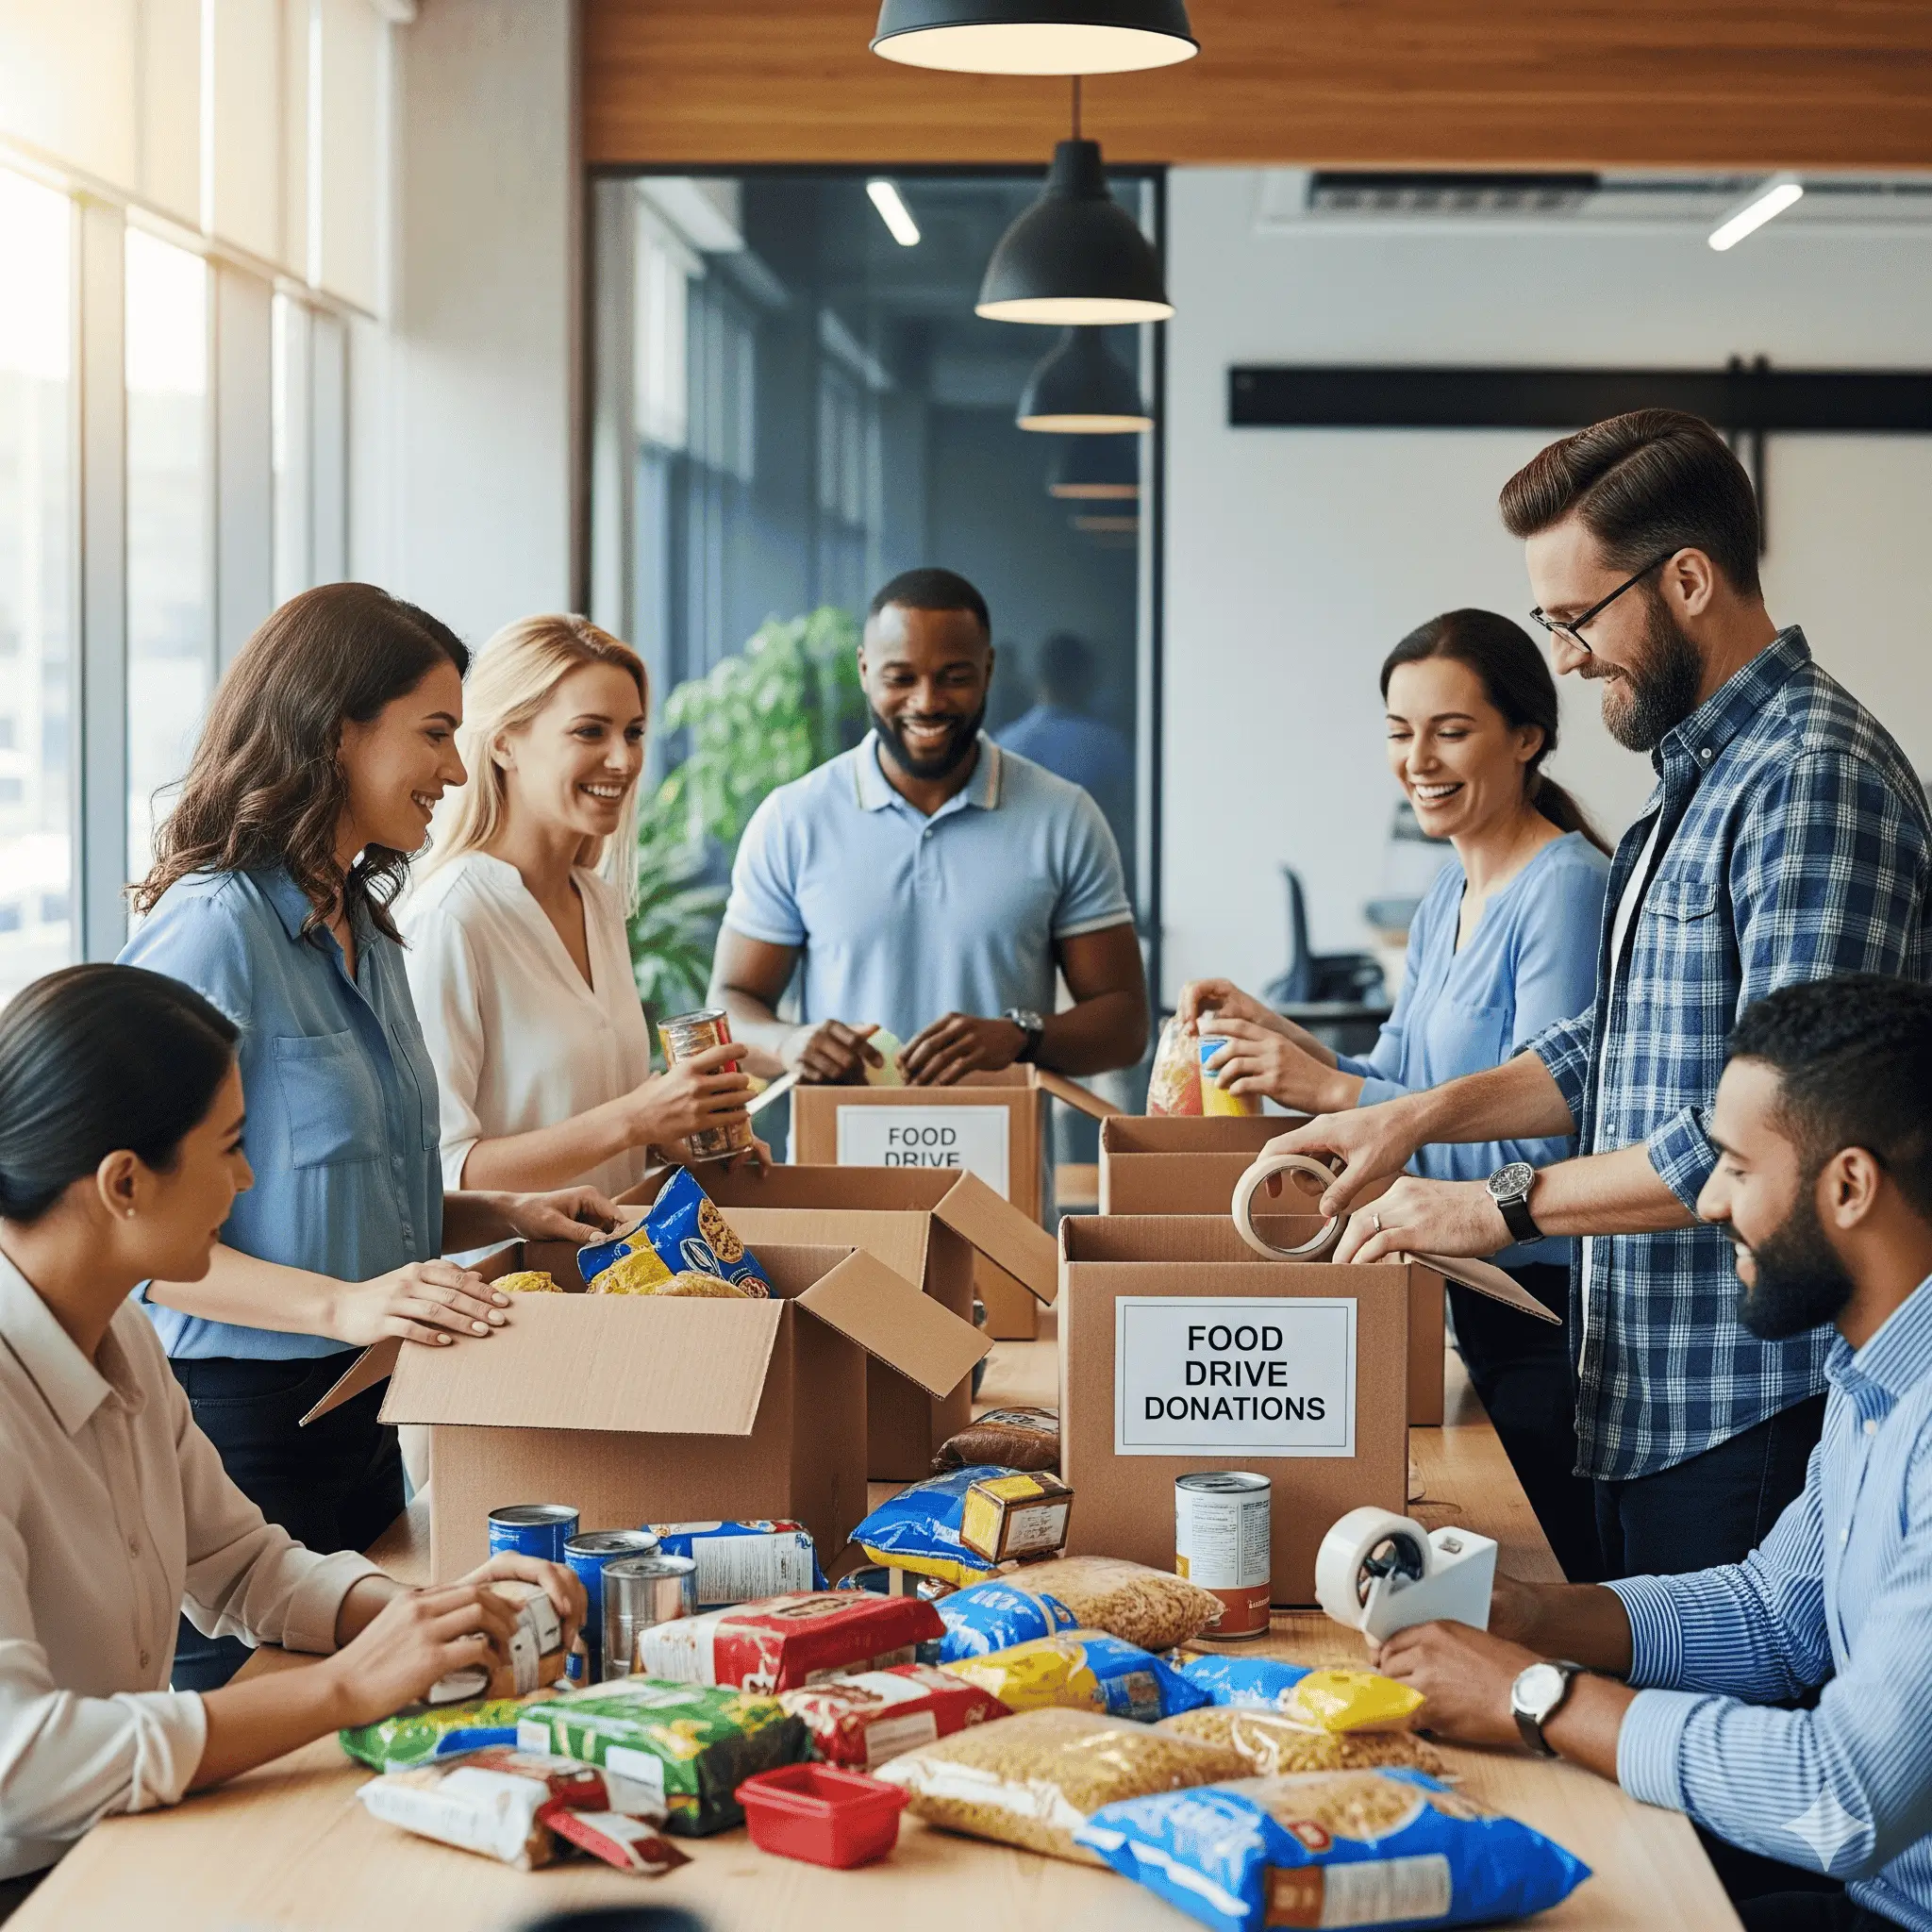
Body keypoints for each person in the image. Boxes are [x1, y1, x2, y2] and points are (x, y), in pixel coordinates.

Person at [1276, 409, 1932, 1580]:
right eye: (1550, 622)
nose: (1567, 658)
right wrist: (1412, 1116)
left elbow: (1785, 1141)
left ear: (1685, 580)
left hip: (1744, 1404)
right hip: (1642, 1392)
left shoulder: (1810, 781)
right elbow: (1612, 1044)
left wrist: (1495, 1205)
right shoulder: (1693, 779)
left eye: (1576, 619)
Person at [119, 583, 618, 1690]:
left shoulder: (367, 928)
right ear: (336, 728)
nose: (455, 767)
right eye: (435, 733)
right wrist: (340, 1304)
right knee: (244, 1786)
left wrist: (500, 1211)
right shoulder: (210, 932)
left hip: (367, 1408)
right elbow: (136, 1239)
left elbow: (352, 1188)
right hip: (236, 1436)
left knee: (384, 1732)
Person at [0, 964, 584, 1898]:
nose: (248, 1176)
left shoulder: (123, 1338)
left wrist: (421, 1616)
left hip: (115, 1838)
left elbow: (240, 1564)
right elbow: (18, 1768)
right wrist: (344, 1688)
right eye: (229, 1145)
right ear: (123, 1182)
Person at [1374, 975, 1932, 1932]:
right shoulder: (1870, 1368)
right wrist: (1536, 1613)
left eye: (1734, 1166)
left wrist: (1529, 1691)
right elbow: (1770, 1614)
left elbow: (1842, 1789)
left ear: (1847, 1184)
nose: (1709, 1200)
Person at [1180, 610, 1611, 1580]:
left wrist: (1326, 1084)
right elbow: (1396, 1079)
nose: (1416, 757)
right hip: (1466, 1298)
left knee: (1552, 1580)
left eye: (1449, 729)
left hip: (1550, 1310)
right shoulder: (1441, 893)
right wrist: (1279, 1032)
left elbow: (1544, 1130)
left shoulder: (1565, 889)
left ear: (1527, 735)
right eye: (1396, 730)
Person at [710, 567, 1149, 1086]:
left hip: (1002, 1165)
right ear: (865, 670)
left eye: (954, 677)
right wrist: (787, 1043)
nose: (926, 702)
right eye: (900, 678)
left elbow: (1125, 1025)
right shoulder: (794, 819)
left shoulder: (1064, 817)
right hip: (834, 1164)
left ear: (988, 671)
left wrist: (1021, 1036)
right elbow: (731, 1003)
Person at [402, 614, 752, 1199]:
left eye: (634, 733)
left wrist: (682, 1131)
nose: (623, 760)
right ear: (506, 743)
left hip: (606, 1278)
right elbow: (440, 1173)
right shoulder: (451, 918)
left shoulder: (596, 898)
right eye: (590, 732)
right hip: (507, 1284)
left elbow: (592, 1120)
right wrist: (635, 1119)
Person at [996, 630, 1134, 852]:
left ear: (1038, 679)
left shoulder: (1005, 744)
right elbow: (1127, 823)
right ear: (1087, 680)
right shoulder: (1109, 746)